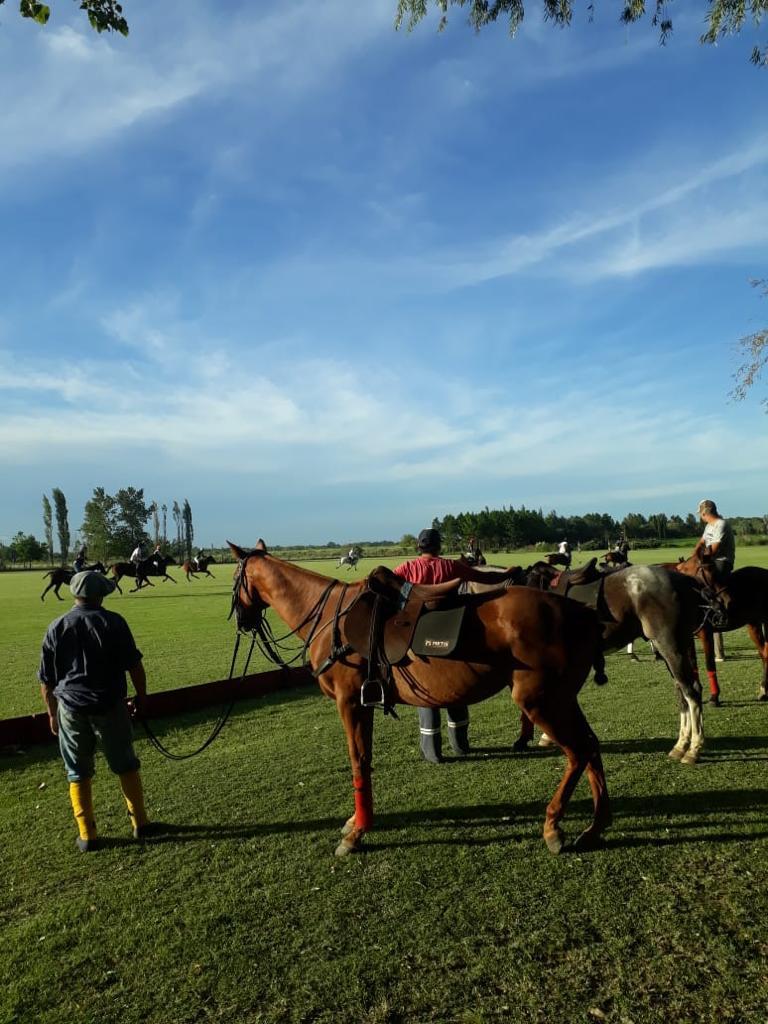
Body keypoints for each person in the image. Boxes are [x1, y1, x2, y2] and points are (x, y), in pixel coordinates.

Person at [38, 570, 157, 851]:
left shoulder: (56, 626)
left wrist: (52, 713)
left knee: (77, 770)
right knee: (125, 762)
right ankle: (140, 823)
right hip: (110, 705)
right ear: (101, 594)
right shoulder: (113, 621)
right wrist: (142, 697)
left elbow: (46, 680)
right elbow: (134, 666)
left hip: (70, 707)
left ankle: (87, 835)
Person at [393, 528, 518, 764]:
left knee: (425, 693)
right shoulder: (451, 566)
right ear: (439, 547)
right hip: (453, 634)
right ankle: (461, 745)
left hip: (417, 638)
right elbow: (487, 578)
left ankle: (432, 752)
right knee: (457, 689)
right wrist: (509, 573)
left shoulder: (406, 568)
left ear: (419, 547)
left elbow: (387, 585)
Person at [692, 499, 735, 584]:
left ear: (703, 514)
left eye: (700, 514)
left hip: (721, 561)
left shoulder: (721, 525)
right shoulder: (708, 526)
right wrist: (693, 557)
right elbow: (701, 542)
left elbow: (713, 549)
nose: (700, 516)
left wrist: (697, 559)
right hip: (709, 561)